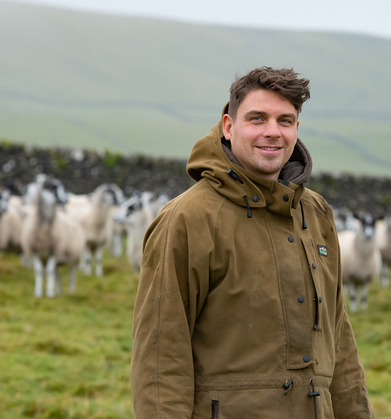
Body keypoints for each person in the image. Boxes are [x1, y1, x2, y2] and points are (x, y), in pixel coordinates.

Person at [130, 67, 374, 418]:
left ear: (296, 130)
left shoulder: (315, 214)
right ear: (228, 127)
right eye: (257, 118)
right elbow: (159, 357)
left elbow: (340, 342)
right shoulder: (187, 220)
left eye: (285, 120)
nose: (272, 132)